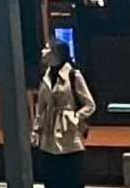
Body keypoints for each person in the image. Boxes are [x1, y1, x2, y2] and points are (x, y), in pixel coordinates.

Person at [31, 39, 95, 188]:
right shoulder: (45, 77)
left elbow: (90, 104)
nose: (43, 51)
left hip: (69, 135)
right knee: (51, 179)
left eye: (47, 48)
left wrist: (74, 117)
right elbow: (41, 108)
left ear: (56, 53)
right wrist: (36, 130)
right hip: (48, 136)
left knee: (71, 178)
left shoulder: (73, 75)